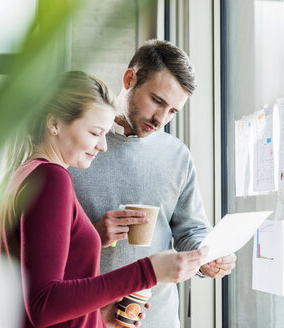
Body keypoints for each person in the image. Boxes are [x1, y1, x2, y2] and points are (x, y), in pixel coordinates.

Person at [0, 70, 207, 328]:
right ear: (55, 124)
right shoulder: (52, 178)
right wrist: (148, 271)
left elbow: (38, 293)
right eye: (95, 133)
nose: (103, 146)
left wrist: (96, 316)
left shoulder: (26, 172)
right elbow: (44, 305)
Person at [69, 39, 237, 328]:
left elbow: (191, 228)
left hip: (156, 319)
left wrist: (206, 255)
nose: (161, 119)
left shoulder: (177, 155)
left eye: (173, 111)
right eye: (158, 101)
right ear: (129, 79)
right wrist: (93, 234)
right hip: (85, 318)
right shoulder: (76, 145)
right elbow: (41, 247)